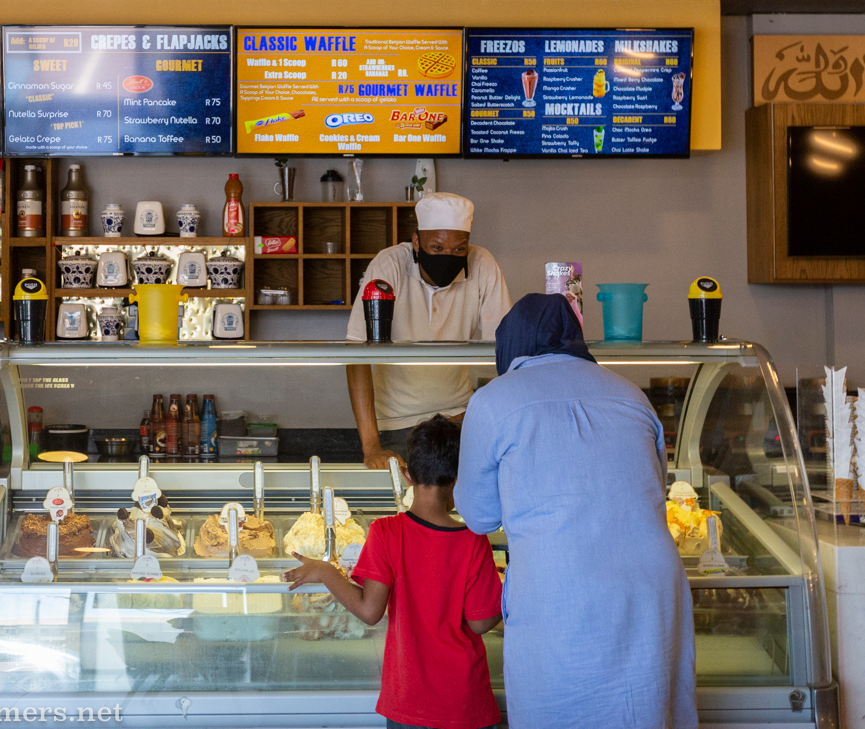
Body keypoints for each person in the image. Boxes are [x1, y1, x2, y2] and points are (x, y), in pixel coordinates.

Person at [454, 294, 698, 729]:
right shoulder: (631, 394)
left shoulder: (493, 400)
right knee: (643, 708)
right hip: (650, 586)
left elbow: (478, 515)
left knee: (560, 707)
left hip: (561, 587)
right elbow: (651, 491)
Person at [285, 415, 504, 729]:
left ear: (405, 475)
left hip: (409, 701)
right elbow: (481, 622)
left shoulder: (386, 531)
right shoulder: (474, 541)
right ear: (460, 478)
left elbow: (370, 610)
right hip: (464, 702)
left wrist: (326, 571)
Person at [346, 192, 511, 469]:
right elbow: (357, 355)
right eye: (436, 248)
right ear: (416, 241)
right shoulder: (389, 265)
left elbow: (505, 350)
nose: (448, 256)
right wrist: (372, 446)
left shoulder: (482, 264)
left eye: (459, 250)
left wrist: (483, 417)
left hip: (459, 421)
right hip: (395, 428)